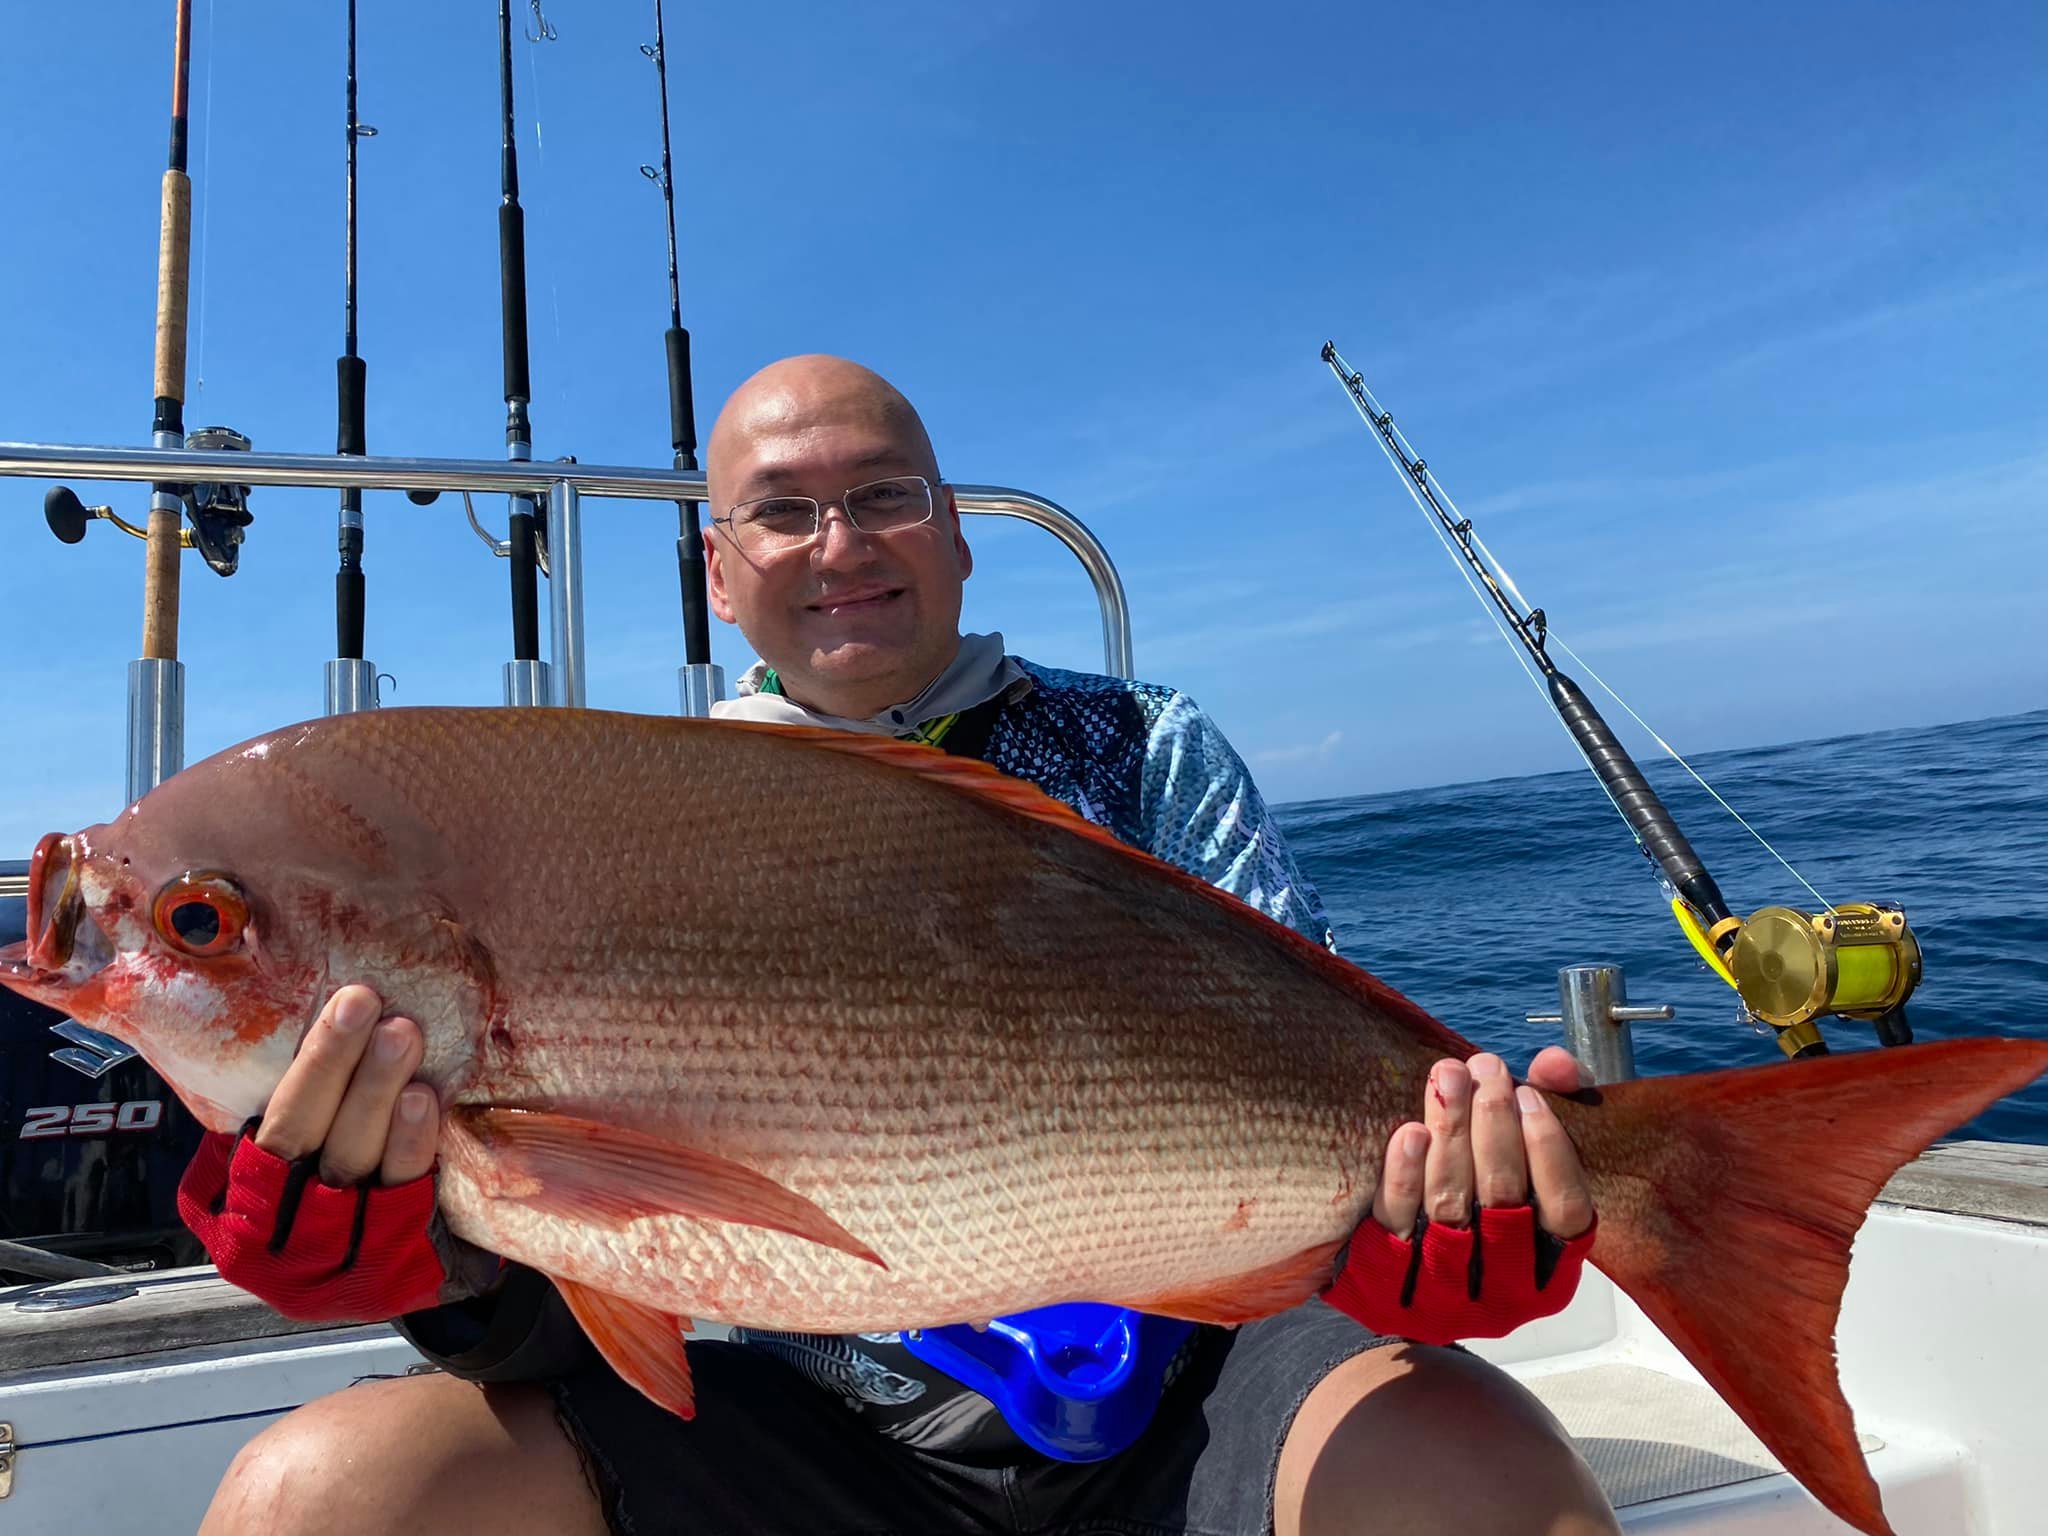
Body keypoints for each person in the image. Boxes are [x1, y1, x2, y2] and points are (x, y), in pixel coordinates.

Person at [192, 356, 1616, 1536]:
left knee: (1490, 1482)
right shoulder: (624, 825)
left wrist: (1414, 1227)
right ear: (718, 572)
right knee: (316, 1500)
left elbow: (1315, 1074)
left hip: (1198, 1381)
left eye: (884, 496)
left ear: (953, 529)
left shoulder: (1146, 746)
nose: (842, 542)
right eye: (783, 513)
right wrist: (424, 1263)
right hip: (808, 1411)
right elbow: (593, 1249)